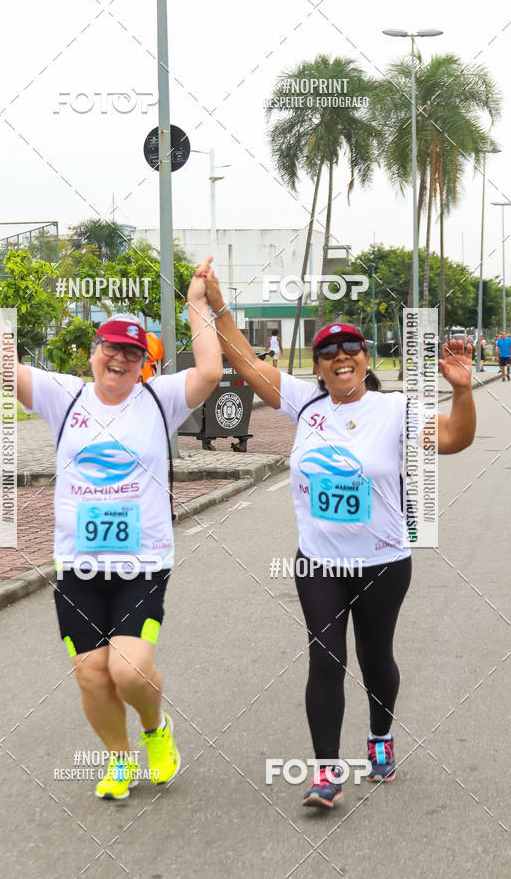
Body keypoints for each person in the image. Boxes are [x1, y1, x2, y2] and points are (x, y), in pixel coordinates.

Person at [202, 263, 476, 808]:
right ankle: (326, 772)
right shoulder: (304, 403)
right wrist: (216, 303)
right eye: (328, 351)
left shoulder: (395, 409)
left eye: (351, 347)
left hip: (383, 562)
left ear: (365, 358)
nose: (341, 356)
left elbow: (455, 440)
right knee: (325, 659)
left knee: (376, 659)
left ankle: (380, 737)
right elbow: (245, 359)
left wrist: (463, 392)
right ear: (318, 366)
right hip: (319, 563)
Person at [0, 251, 222, 800]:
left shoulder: (159, 400)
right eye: (111, 348)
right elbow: (7, 370)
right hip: (77, 565)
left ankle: (156, 730)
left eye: (132, 352)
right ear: (93, 352)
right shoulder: (66, 396)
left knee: (128, 670)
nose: (119, 359)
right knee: (91, 673)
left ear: (142, 363)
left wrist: (198, 305)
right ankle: (119, 758)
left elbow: (209, 372)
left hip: (142, 564)